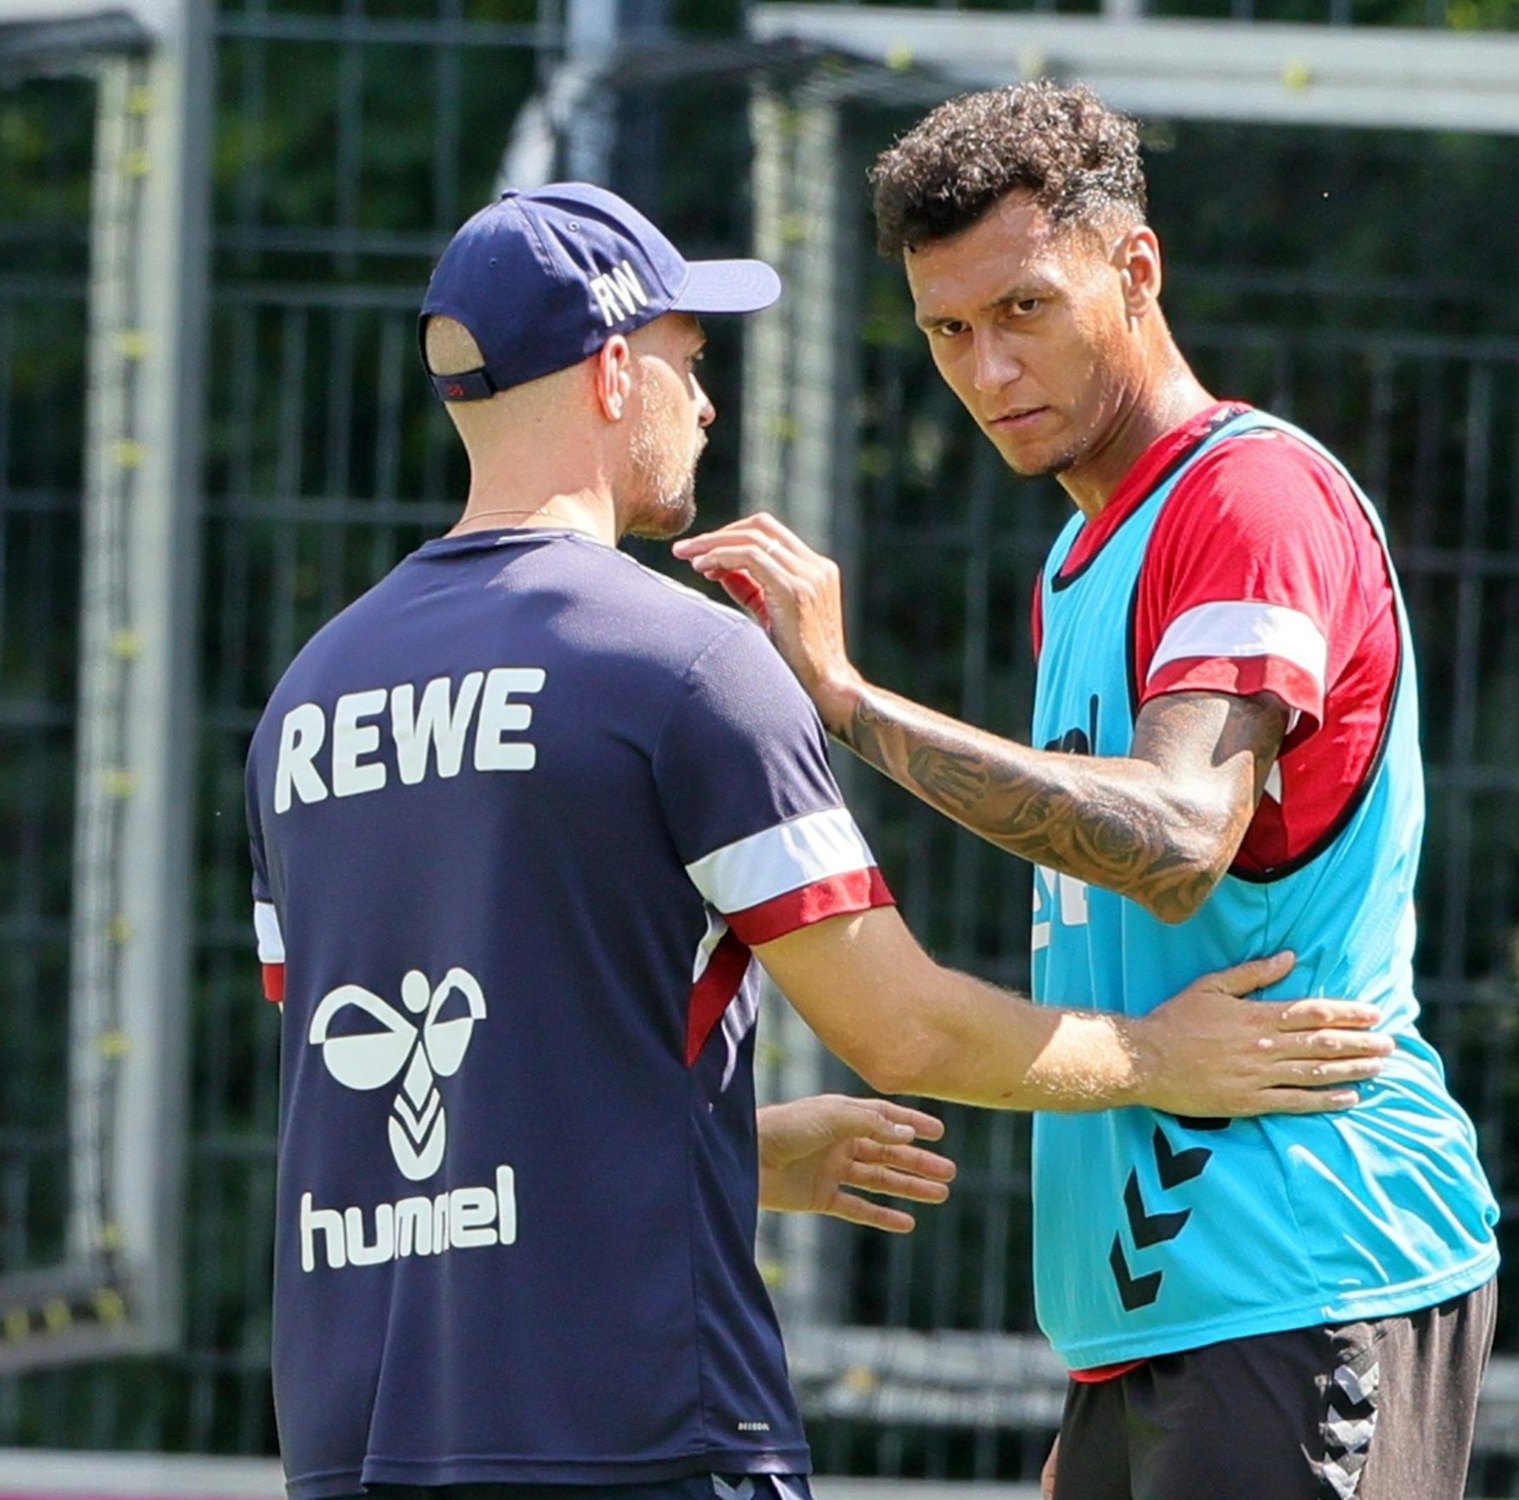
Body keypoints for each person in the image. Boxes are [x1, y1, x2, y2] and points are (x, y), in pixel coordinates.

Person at [245, 181, 1393, 1500]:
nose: (709, 403)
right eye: (691, 357)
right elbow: (904, 1032)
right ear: (616, 372)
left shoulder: (308, 701)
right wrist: (1158, 1054)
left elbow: (409, 1095)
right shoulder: (677, 664)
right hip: (635, 1434)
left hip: (362, 1439)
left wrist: (729, 1149)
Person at [676, 83, 1501, 1500]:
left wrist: (850, 705)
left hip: (1307, 1267)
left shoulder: (1248, 500)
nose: (988, 369)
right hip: (1166, 1319)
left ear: (1138, 269)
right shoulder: (1085, 563)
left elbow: (1182, 840)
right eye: (949, 331)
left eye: (1025, 312)